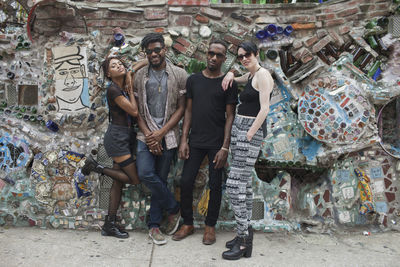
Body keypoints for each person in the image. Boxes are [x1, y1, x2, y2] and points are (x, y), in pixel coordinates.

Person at [172, 40, 238, 245]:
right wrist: (184, 140)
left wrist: (225, 147)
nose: (214, 58)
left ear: (224, 59)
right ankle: (188, 223)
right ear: (206, 54)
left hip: (217, 143)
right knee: (185, 181)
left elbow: (230, 116)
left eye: (219, 55)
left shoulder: (228, 83)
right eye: (211, 53)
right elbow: (188, 111)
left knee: (216, 185)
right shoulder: (194, 80)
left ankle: (210, 227)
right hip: (196, 140)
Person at [81, 56, 147, 239]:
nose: (119, 66)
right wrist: (131, 87)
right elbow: (133, 111)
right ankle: (96, 167)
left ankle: (108, 224)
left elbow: (141, 63)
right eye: (114, 66)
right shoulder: (113, 90)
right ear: (109, 73)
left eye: (120, 63)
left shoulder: (123, 80)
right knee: (134, 179)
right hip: (117, 138)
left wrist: (131, 72)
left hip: (125, 136)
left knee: (118, 183)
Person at [221, 41, 274, 260]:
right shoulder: (252, 75)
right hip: (240, 129)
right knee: (243, 185)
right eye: (241, 56)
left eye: (248, 55)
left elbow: (265, 109)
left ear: (257, 54)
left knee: (234, 186)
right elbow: (242, 78)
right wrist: (231, 74)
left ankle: (243, 239)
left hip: (249, 131)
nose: (244, 58)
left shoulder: (263, 75)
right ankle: (245, 235)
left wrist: (250, 133)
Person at [134, 33, 187, 245]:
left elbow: (182, 108)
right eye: (149, 51)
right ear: (145, 53)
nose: (154, 54)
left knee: (161, 179)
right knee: (146, 173)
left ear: (165, 50)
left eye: (157, 50)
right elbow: (136, 110)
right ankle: (174, 208)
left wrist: (161, 133)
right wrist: (149, 135)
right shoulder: (139, 76)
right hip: (144, 134)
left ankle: (154, 226)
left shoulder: (180, 74)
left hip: (169, 135)